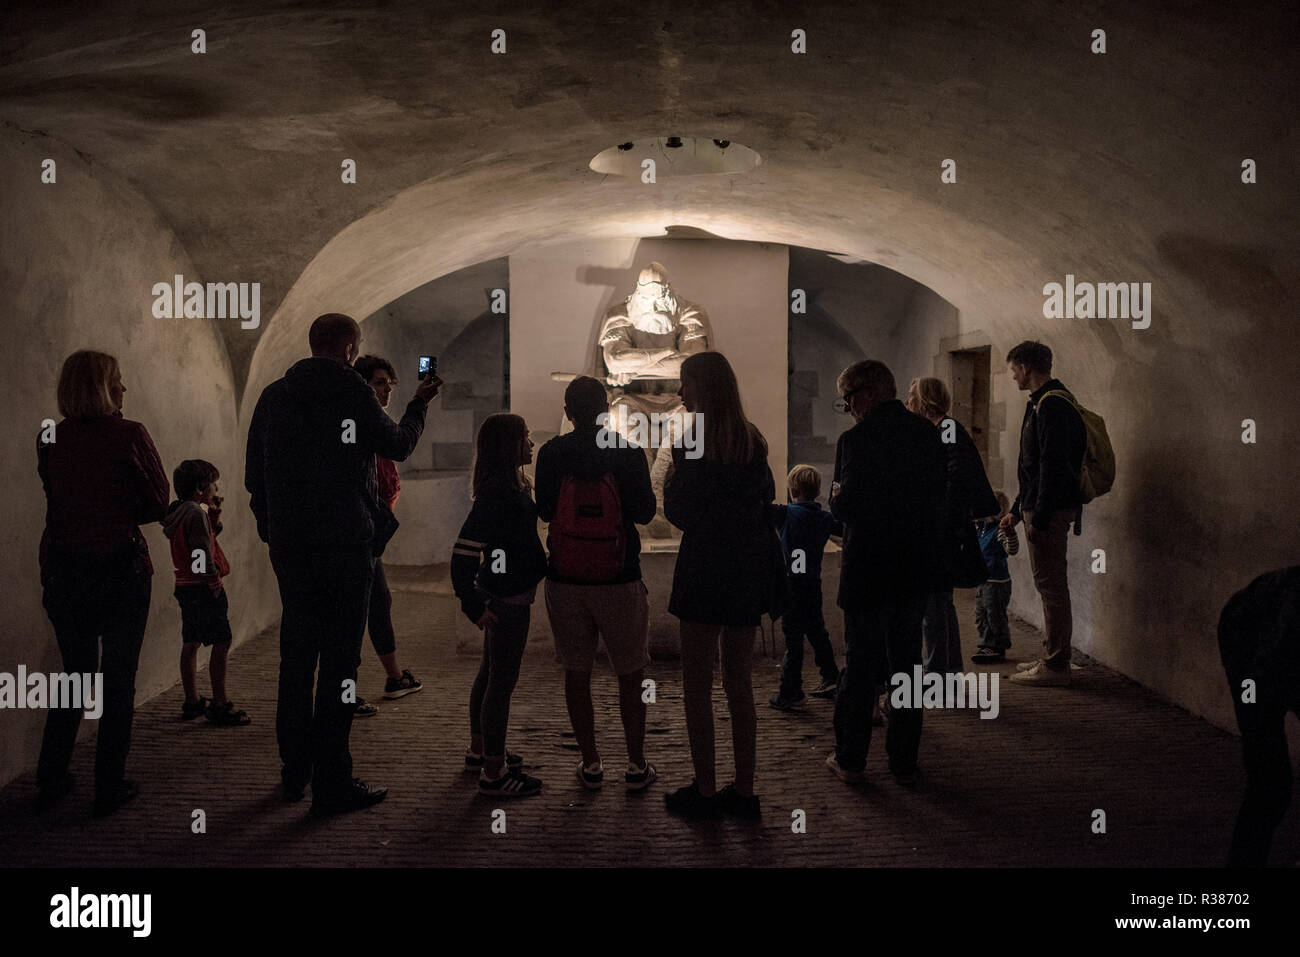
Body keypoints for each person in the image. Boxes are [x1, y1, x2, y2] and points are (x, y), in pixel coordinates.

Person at [246, 313, 440, 815]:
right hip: (344, 546)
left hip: (291, 548)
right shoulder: (351, 392)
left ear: (313, 344)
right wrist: (419, 404)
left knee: (295, 660)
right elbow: (397, 443)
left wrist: (273, 530)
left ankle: (294, 774)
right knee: (340, 666)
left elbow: (254, 477)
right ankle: (332, 783)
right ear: (352, 348)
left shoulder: (274, 396)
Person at [36, 350, 170, 816]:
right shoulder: (128, 433)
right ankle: (108, 785)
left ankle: (50, 779)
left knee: (74, 675)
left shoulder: (49, 437)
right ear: (102, 387)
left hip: (64, 567)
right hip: (121, 569)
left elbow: (55, 497)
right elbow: (157, 501)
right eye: (118, 380)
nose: (124, 389)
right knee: (119, 681)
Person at [662, 351, 775, 820]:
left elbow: (680, 513)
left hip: (704, 568)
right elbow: (765, 501)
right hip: (745, 570)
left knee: (696, 686)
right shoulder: (752, 441)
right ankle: (745, 791)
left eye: (686, 383)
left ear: (702, 388)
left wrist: (671, 479)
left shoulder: (692, 443)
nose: (681, 392)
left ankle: (705, 790)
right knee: (739, 685)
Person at [534, 376, 659, 791]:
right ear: (606, 410)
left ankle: (590, 763)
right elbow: (643, 513)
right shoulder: (626, 451)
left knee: (576, 672)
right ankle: (637, 764)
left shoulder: (552, 452)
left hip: (566, 577)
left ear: (568, 412)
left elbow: (547, 510)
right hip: (619, 575)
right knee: (631, 673)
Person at [827, 360, 946, 788]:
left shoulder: (855, 441)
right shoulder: (928, 436)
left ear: (869, 394)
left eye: (849, 400)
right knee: (907, 666)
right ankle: (903, 761)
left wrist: (839, 500)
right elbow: (939, 501)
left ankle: (851, 759)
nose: (850, 408)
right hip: (912, 569)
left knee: (860, 666)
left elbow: (845, 506)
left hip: (867, 571)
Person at [451, 413, 549, 797]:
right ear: (509, 446)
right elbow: (463, 552)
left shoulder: (511, 486)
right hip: (506, 599)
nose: (531, 444)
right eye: (525, 437)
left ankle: (481, 750)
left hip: (503, 593)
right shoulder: (498, 493)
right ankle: (494, 774)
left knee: (489, 674)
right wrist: (472, 605)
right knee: (501, 684)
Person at [599, 261, 712, 534]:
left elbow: (690, 364)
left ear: (669, 292)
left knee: (688, 426)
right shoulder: (619, 314)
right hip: (633, 398)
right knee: (621, 421)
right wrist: (668, 354)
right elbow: (614, 360)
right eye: (648, 297)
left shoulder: (691, 313)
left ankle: (657, 490)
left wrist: (632, 364)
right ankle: (639, 497)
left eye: (660, 296)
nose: (654, 303)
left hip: (678, 400)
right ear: (637, 292)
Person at [999, 341, 1085, 688]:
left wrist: (1041, 517)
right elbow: (1034, 470)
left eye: (1014, 369)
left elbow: (1051, 467)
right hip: (1040, 507)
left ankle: (1056, 664)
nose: (1012, 375)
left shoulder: (1051, 406)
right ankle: (1055, 656)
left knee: (1051, 587)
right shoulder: (1045, 402)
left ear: (1026, 367)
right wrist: (1020, 512)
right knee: (1051, 585)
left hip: (1049, 510)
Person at [905, 376, 998, 676]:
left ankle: (938, 676)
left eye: (912, 395)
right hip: (942, 531)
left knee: (934, 608)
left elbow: (955, 481)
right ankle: (949, 673)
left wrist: (939, 521)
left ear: (924, 400)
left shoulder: (945, 430)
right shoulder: (938, 431)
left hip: (940, 533)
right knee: (940, 605)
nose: (907, 401)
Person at [352, 355, 424, 714]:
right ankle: (345, 694)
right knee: (356, 613)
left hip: (367, 538)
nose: (386, 391)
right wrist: (420, 403)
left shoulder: (371, 423)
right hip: (357, 537)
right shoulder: (361, 425)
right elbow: (401, 445)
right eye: (380, 383)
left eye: (389, 384)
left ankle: (394, 677)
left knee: (377, 604)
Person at [1217, 566, 1300, 867]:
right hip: (1248, 640)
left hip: (1271, 645)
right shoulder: (1286, 621)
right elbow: (1265, 673)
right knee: (1271, 784)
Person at [163, 459, 250, 726]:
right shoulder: (196, 514)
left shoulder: (178, 511)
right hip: (203, 587)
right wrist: (213, 583)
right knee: (221, 642)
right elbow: (201, 552)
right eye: (213, 483)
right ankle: (220, 703)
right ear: (201, 488)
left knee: (191, 642)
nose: (216, 487)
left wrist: (214, 517)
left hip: (184, 585)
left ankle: (192, 700)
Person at [769, 464, 841, 710]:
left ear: (793, 491)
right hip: (812, 582)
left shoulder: (785, 514)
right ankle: (831, 676)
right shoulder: (825, 518)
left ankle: (791, 690)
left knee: (794, 638)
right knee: (817, 630)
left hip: (791, 583)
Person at [972, 491, 1018, 664]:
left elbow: (1011, 550)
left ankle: (997, 646)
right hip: (983, 580)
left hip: (997, 581)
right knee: (981, 614)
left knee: (995, 614)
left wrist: (1010, 534)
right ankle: (986, 644)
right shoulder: (979, 529)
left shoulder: (999, 529)